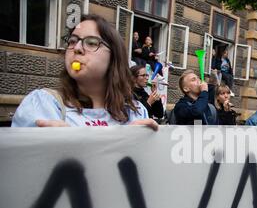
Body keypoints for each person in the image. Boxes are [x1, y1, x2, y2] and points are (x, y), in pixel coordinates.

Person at [12, 14, 157, 129]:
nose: (77, 48)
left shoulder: (134, 112)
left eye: (92, 43)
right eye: (72, 41)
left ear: (114, 56)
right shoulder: (44, 105)